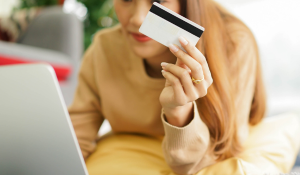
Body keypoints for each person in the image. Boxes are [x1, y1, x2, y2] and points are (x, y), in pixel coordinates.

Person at [68, 0, 266, 174]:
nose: (137, 19)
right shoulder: (105, 47)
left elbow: (221, 153)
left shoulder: (233, 43)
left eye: (158, 0)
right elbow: (76, 137)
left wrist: (178, 112)